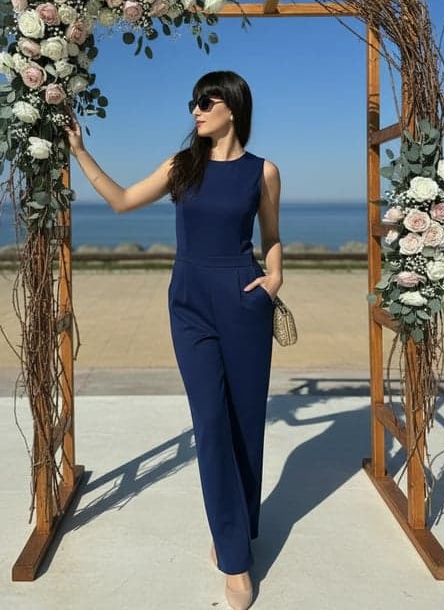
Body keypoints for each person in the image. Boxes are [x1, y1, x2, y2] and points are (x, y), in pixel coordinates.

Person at [64, 70, 283, 610]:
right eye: (193, 102)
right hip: (189, 302)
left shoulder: (263, 171)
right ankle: (235, 559)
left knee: (245, 422)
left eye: (206, 101)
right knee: (210, 424)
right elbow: (122, 201)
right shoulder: (181, 165)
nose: (196, 110)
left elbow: (272, 236)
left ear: (233, 106)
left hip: (243, 297)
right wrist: (81, 153)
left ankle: (236, 529)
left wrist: (275, 278)